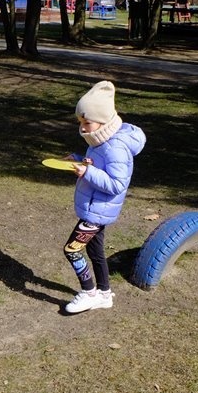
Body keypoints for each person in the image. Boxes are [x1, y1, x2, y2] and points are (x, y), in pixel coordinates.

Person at [62, 81, 146, 314]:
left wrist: (87, 173)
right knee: (95, 251)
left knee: (72, 250)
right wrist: (78, 160)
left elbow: (117, 184)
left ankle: (89, 293)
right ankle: (105, 295)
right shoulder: (99, 139)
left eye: (86, 123)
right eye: (80, 123)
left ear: (103, 120)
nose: (83, 128)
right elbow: (97, 165)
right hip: (95, 209)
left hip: (97, 212)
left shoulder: (115, 147)